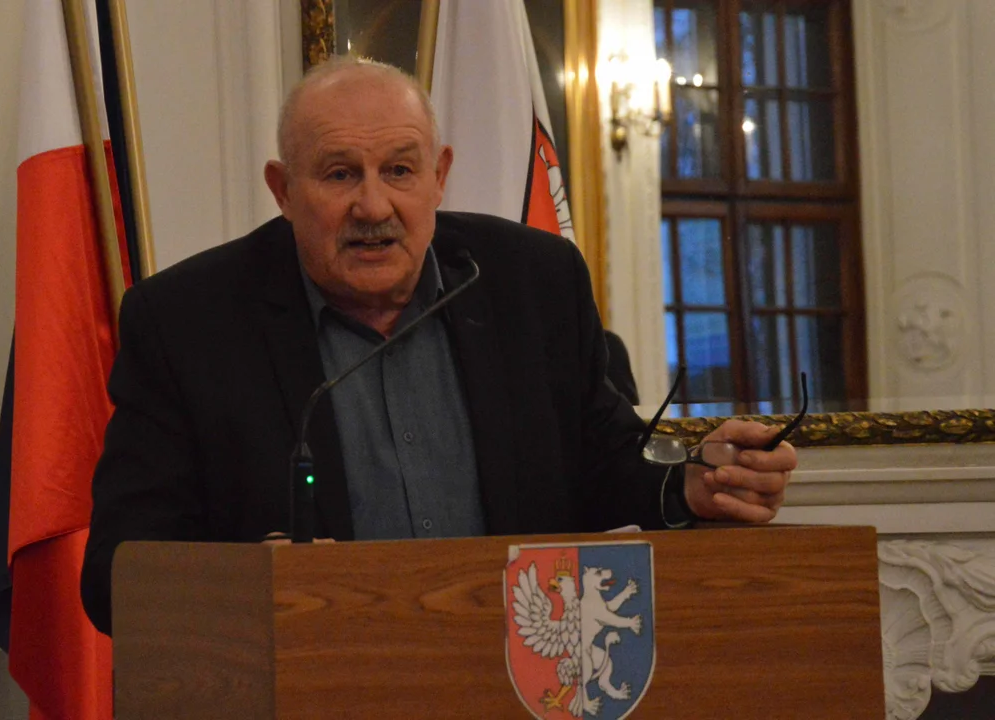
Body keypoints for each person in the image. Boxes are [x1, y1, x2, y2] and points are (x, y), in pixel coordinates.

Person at [80, 58, 795, 635]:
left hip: (517, 681)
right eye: (339, 174)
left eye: (399, 170)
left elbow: (600, 459)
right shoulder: (188, 322)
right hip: (317, 685)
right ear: (283, 189)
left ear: (439, 176)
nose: (373, 207)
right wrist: (241, 586)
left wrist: (693, 486)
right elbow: (114, 574)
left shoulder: (532, 282)